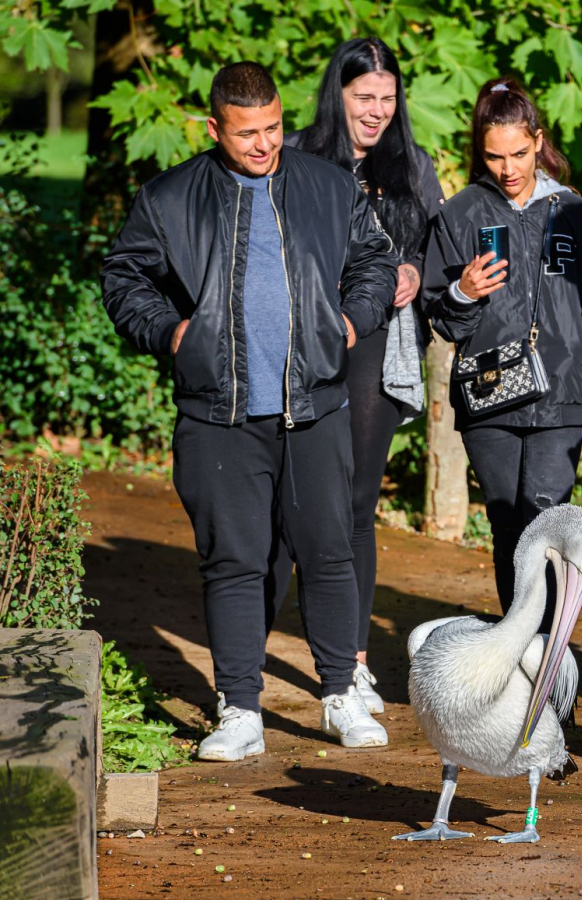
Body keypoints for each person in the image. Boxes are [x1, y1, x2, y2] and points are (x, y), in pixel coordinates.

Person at [101, 61, 395, 760]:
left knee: (329, 553)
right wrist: (171, 333)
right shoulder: (171, 197)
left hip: (316, 403)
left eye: (271, 129)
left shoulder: (327, 185)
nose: (262, 145)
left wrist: (350, 321)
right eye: (245, 134)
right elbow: (124, 276)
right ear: (215, 130)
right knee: (234, 562)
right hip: (218, 412)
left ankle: (338, 694)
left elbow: (375, 262)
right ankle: (239, 710)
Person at [278, 37, 445, 714]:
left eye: (386, 98)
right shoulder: (295, 156)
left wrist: (413, 271)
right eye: (362, 98)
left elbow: (441, 251)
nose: (376, 111)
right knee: (289, 502)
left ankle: (350, 660)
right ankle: (243, 663)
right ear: (337, 96)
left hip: (377, 346)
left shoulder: (413, 166)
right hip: (304, 345)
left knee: (354, 501)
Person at [422, 77, 582, 625]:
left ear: (538, 140)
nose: (508, 168)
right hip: (487, 394)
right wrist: (464, 291)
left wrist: (581, 346)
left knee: (547, 519)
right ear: (479, 152)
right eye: (494, 156)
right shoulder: (460, 214)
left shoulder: (573, 211)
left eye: (518, 152)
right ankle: (521, 644)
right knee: (507, 521)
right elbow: (439, 316)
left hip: (559, 390)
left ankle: (548, 656)